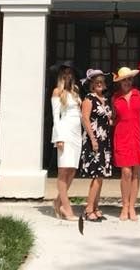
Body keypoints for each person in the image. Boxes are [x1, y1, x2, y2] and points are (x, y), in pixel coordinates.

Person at [111, 66, 140, 221]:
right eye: (124, 80)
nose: (127, 82)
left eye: (129, 79)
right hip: (122, 137)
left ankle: (132, 206)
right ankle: (124, 206)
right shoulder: (115, 98)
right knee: (126, 172)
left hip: (137, 137)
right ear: (120, 82)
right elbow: (112, 117)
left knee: (136, 173)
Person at [79, 68, 113, 222]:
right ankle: (88, 209)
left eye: (101, 81)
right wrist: (93, 139)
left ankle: (96, 207)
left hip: (104, 141)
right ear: (91, 84)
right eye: (96, 82)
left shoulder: (104, 100)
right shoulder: (88, 99)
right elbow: (85, 120)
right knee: (97, 176)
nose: (99, 84)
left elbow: (106, 120)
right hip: (94, 141)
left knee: (101, 176)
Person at [49, 61, 82, 221]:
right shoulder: (57, 92)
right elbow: (56, 118)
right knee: (63, 171)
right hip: (65, 133)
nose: (68, 75)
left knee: (73, 170)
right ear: (61, 76)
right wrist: (59, 138)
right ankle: (66, 207)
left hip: (77, 135)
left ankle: (57, 202)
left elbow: (80, 114)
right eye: (65, 73)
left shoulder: (75, 92)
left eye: (71, 73)